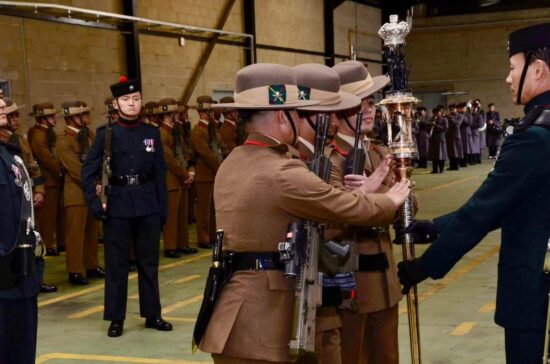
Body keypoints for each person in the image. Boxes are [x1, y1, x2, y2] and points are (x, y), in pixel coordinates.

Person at [196, 63, 410, 364]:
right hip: (261, 325)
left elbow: (315, 208)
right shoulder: (281, 170)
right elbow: (342, 207)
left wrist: (362, 191)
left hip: (234, 314)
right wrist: (391, 199)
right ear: (283, 116)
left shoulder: (235, 161)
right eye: (299, 112)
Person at [398, 23, 550, 364]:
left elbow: (484, 210)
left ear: (538, 70)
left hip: (536, 290)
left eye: (513, 68)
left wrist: (426, 265)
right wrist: (437, 226)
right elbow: (513, 206)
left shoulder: (533, 138)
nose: (509, 78)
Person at [81, 77, 172, 337]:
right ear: (116, 104)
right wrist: (94, 204)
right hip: (117, 206)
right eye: (125, 100)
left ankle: (153, 314)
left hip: (147, 205)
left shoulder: (151, 133)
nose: (131, 104)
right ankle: (116, 318)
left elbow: (160, 174)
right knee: (117, 266)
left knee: (149, 264)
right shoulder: (105, 134)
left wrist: (162, 209)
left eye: (135, 99)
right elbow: (87, 172)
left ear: (141, 101)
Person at [332, 60, 406, 364]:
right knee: (353, 355)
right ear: (336, 111)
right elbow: (343, 218)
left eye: (371, 101)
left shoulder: (379, 152)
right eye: (357, 104)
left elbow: (409, 207)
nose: (368, 109)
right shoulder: (329, 159)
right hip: (352, 280)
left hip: (386, 279)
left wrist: (383, 196)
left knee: (387, 356)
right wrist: (384, 198)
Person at [293, 62, 362, 364]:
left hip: (323, 295)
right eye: (330, 113)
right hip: (303, 297)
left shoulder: (315, 157)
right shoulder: (293, 161)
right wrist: (365, 199)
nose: (336, 121)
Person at [0, 97, 44, 364]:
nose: (2, 102)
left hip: (21, 272)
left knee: (22, 349)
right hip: (3, 276)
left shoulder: (10, 151)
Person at [2, 99, 57, 293]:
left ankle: (36, 280)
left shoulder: (21, 140)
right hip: (13, 201)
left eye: (17, 116)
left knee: (33, 239)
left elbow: (33, 167)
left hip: (28, 198)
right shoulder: (4, 141)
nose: (16, 119)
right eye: (12, 116)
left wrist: (39, 190)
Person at [56, 101, 104, 285]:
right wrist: (93, 184)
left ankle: (92, 265)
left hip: (91, 189)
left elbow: (97, 161)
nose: (86, 117)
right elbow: (76, 169)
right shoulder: (63, 141)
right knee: (75, 234)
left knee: (92, 231)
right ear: (70, 118)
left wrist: (99, 181)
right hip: (76, 192)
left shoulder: (89, 135)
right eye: (81, 114)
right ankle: (75, 270)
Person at [157, 98, 196, 258]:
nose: (178, 116)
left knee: (181, 215)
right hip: (171, 180)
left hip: (181, 179)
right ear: (168, 115)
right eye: (175, 113)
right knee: (171, 217)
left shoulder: (175, 131)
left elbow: (186, 152)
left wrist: (191, 170)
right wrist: (185, 174)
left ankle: (182, 243)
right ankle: (170, 246)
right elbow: (168, 159)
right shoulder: (160, 133)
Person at [28, 103, 64, 256]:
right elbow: (47, 159)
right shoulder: (38, 134)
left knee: (57, 215)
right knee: (47, 217)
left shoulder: (47, 132)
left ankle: (58, 243)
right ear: (42, 119)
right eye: (50, 116)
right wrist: (61, 172)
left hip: (53, 180)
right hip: (48, 180)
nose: (54, 119)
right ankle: (48, 244)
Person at [190, 95, 222, 249]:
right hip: (204, 175)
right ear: (203, 113)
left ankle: (211, 236)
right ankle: (203, 238)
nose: (212, 113)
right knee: (203, 210)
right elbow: (206, 154)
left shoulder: (211, 129)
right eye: (210, 111)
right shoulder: (198, 132)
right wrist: (220, 167)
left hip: (213, 174)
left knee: (212, 209)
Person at [428, 106, 448, 174]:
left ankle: (441, 169)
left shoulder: (444, 119)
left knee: (441, 155)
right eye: (435, 113)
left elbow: (445, 128)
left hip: (440, 138)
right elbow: (428, 128)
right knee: (434, 155)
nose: (437, 114)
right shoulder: (432, 119)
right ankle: (435, 169)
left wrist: (436, 126)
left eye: (438, 112)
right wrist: (430, 125)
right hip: (433, 139)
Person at [446, 104, 463, 171]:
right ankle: (451, 166)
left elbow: (457, 124)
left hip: (456, 135)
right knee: (451, 151)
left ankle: (456, 166)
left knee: (456, 151)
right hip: (449, 135)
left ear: (456, 109)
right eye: (451, 109)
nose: (452, 110)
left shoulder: (460, 116)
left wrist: (451, 118)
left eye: (453, 109)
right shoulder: (448, 116)